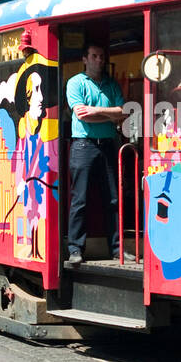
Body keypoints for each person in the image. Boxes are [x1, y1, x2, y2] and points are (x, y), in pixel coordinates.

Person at [65, 43, 126, 266]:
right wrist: (110, 115)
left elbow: (124, 111)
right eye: (94, 56)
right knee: (80, 199)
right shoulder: (76, 83)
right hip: (83, 145)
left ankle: (117, 249)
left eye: (101, 56)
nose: (99, 60)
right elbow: (82, 115)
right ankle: (75, 249)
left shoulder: (111, 84)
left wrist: (97, 111)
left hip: (108, 144)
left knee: (113, 198)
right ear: (85, 59)